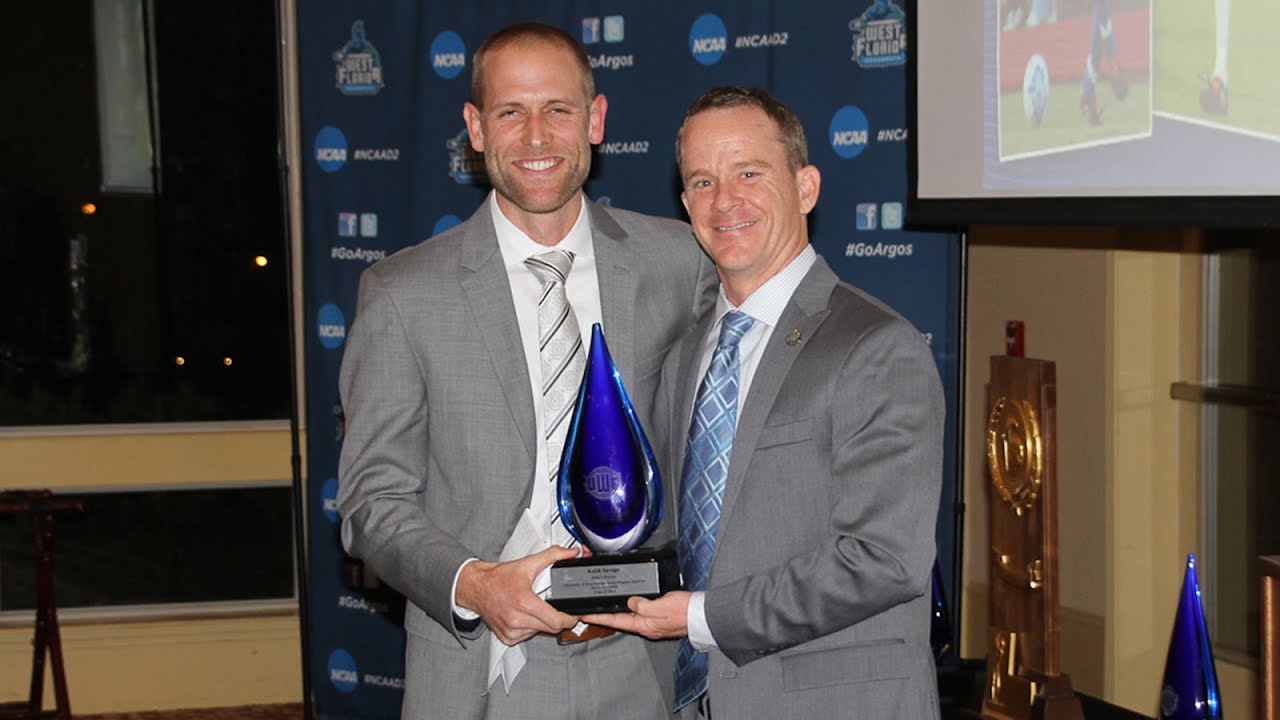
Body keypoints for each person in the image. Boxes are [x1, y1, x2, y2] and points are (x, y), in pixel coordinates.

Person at [336, 21, 715, 719]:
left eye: (558, 109)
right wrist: (475, 585)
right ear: (475, 129)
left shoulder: (680, 264)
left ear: (595, 120)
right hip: (485, 670)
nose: (536, 137)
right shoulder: (402, 294)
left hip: (644, 662)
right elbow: (371, 502)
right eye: (511, 112)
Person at [586, 86, 945, 719]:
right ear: (685, 204)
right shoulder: (685, 354)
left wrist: (700, 617)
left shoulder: (875, 347)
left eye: (749, 173)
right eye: (702, 182)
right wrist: (591, 582)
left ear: (806, 187)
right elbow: (683, 536)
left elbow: (884, 560)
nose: (724, 200)